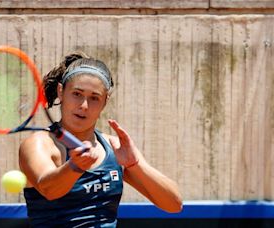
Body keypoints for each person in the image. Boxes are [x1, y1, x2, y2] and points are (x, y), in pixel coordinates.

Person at [19, 52, 182, 227]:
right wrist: (75, 166)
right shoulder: (39, 144)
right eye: (77, 94)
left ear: (105, 101)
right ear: (61, 91)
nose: (84, 106)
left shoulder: (115, 147)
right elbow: (49, 190)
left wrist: (135, 165)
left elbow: (174, 205)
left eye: (94, 98)